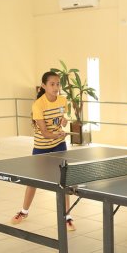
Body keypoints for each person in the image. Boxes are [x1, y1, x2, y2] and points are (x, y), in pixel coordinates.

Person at [11, 71, 75, 231]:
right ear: (44, 86)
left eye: (58, 84)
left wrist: (64, 121)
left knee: (64, 182)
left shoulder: (62, 100)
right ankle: (24, 211)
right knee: (33, 181)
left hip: (60, 146)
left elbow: (61, 119)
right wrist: (58, 133)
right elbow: (45, 133)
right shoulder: (38, 105)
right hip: (42, 147)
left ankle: (67, 217)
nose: (56, 87)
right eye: (52, 84)